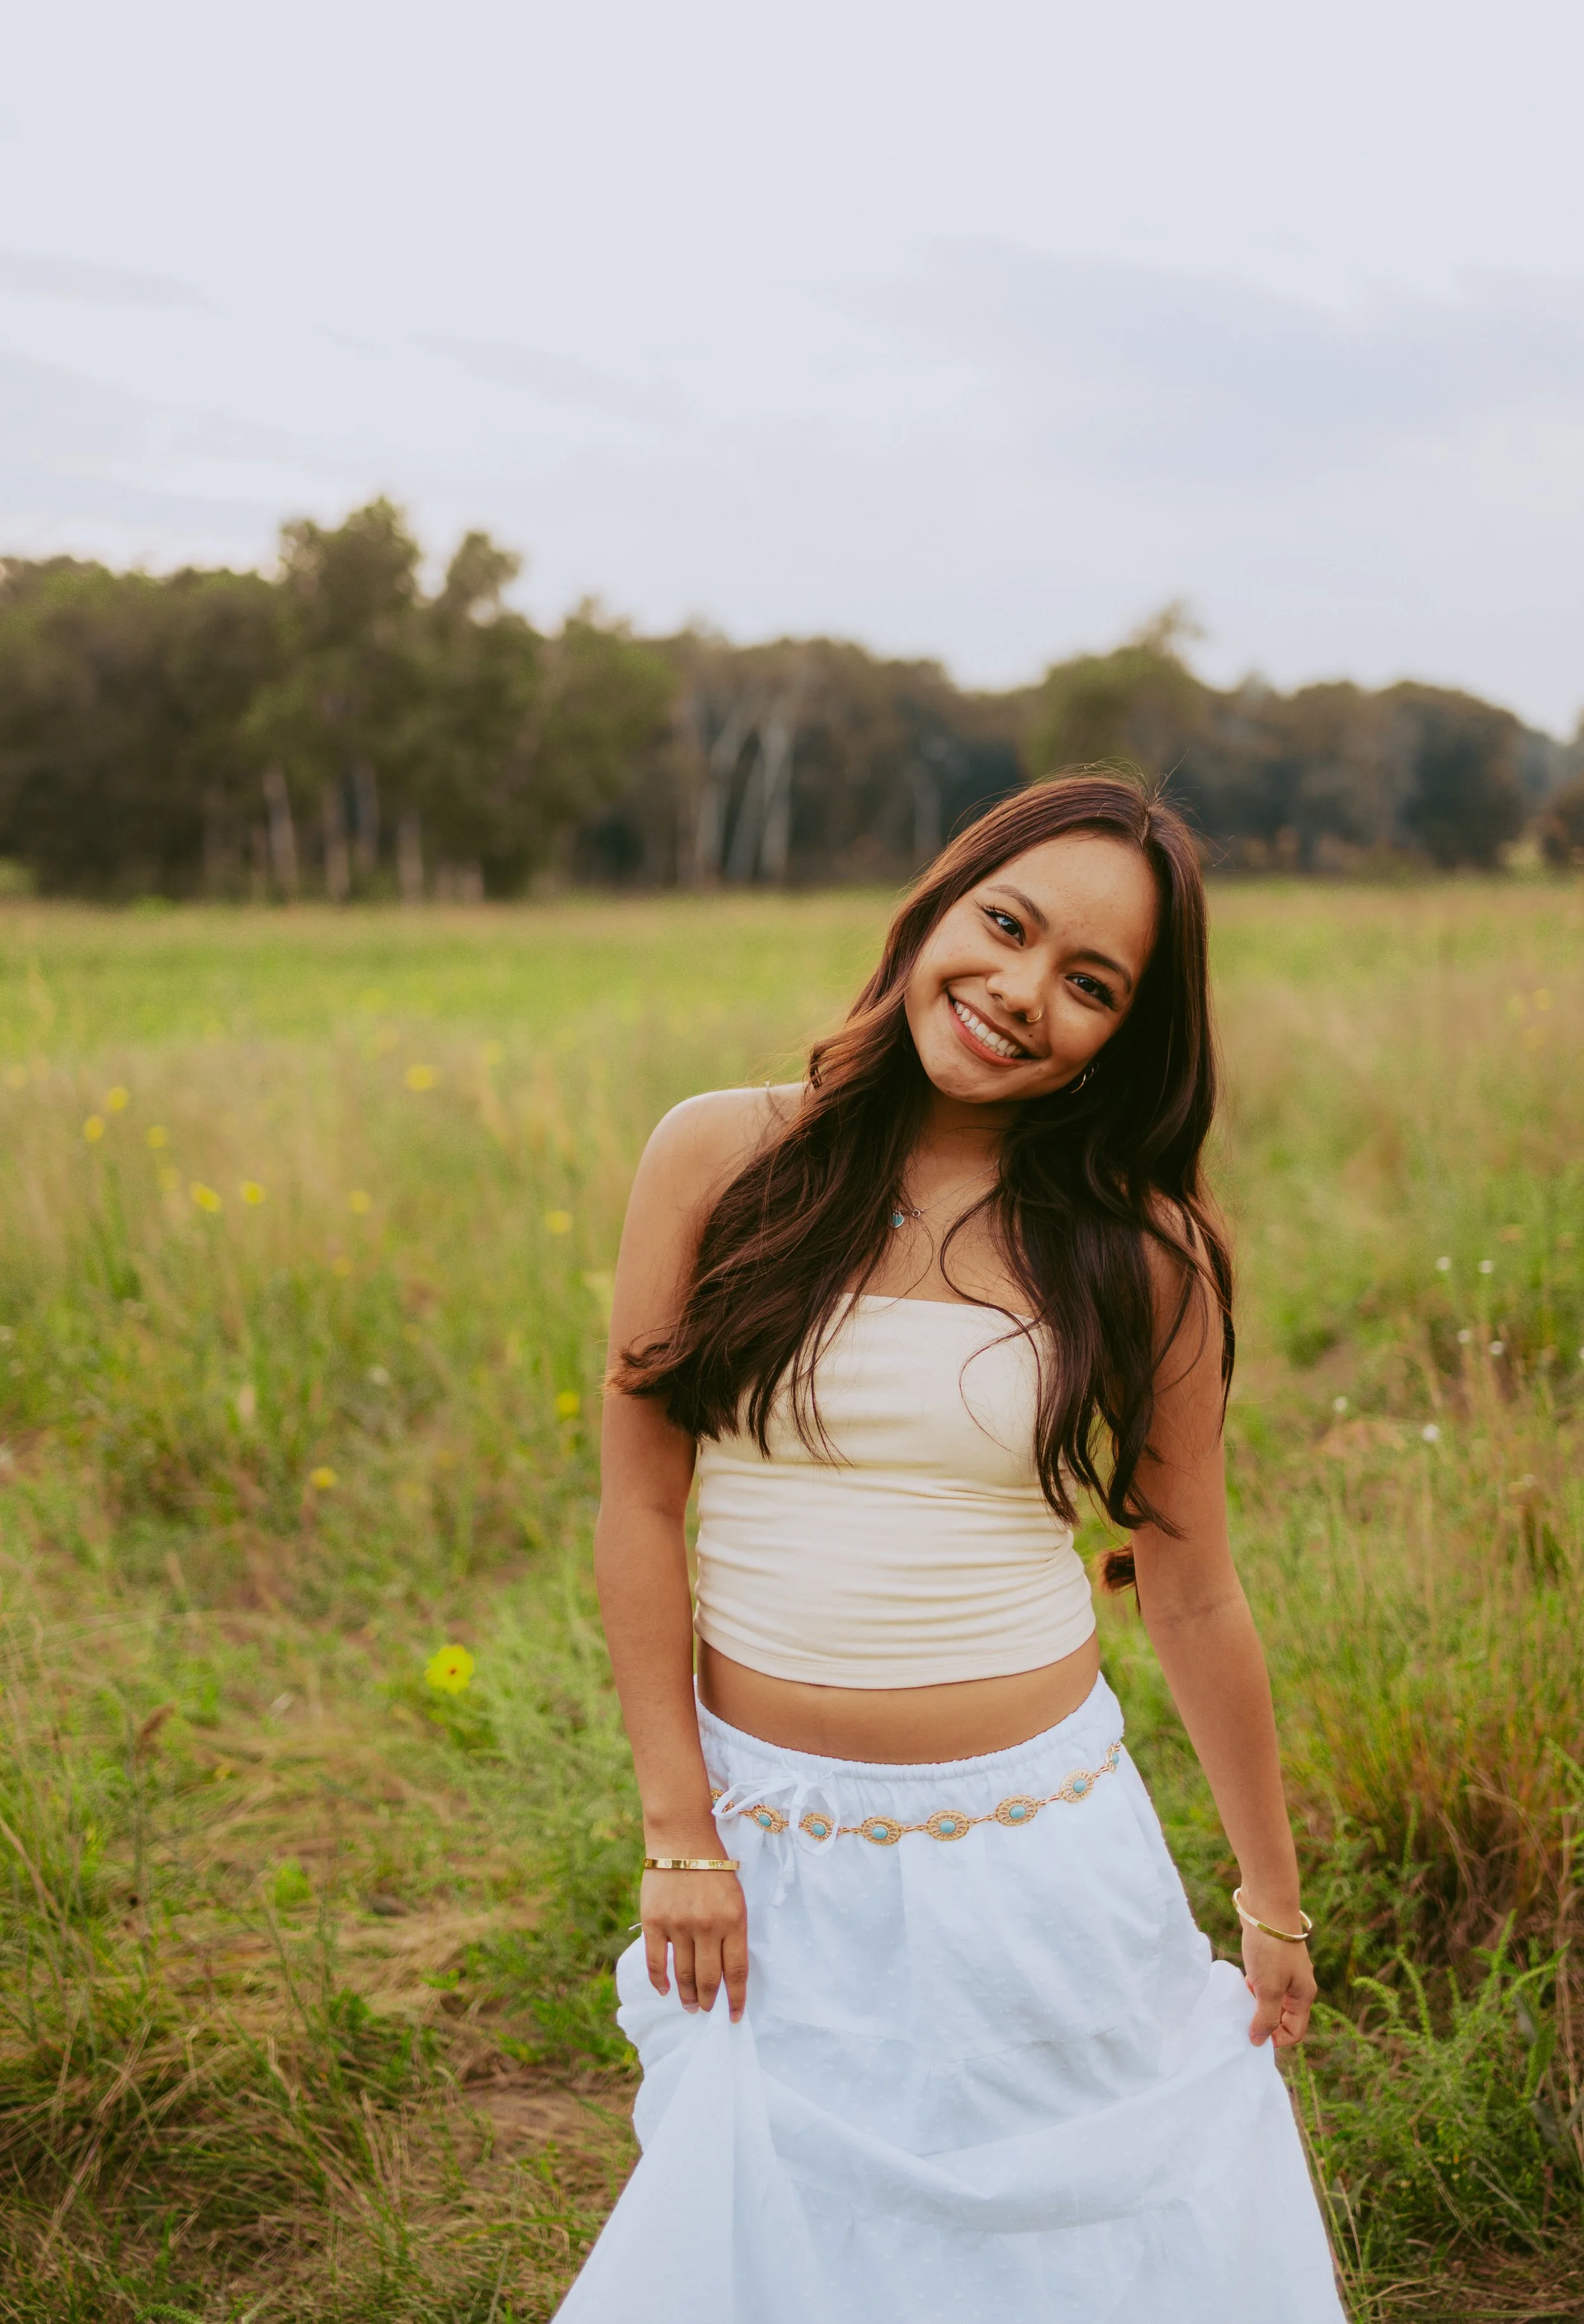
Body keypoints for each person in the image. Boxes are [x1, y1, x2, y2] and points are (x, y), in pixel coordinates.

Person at [558, 774, 1344, 2321]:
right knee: (787, 2251)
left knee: (1068, 2252)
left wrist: (1268, 1896)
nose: (1017, 996)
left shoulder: (1141, 1249)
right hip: (767, 1848)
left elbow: (1190, 1590)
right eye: (1005, 926)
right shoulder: (719, 1157)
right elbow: (641, 1506)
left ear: (1125, 1035)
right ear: (936, 902)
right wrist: (680, 1833)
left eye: (1088, 985)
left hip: (1036, 1851)